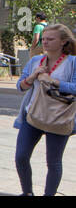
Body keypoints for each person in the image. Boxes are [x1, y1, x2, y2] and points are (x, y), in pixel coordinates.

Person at [13, 23, 76, 196]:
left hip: (59, 116)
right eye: (44, 39)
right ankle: (27, 192)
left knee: (53, 162)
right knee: (21, 157)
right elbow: (20, 87)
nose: (45, 42)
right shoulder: (35, 61)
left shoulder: (72, 62)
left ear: (63, 42)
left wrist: (53, 81)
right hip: (32, 114)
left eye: (50, 39)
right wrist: (33, 76)